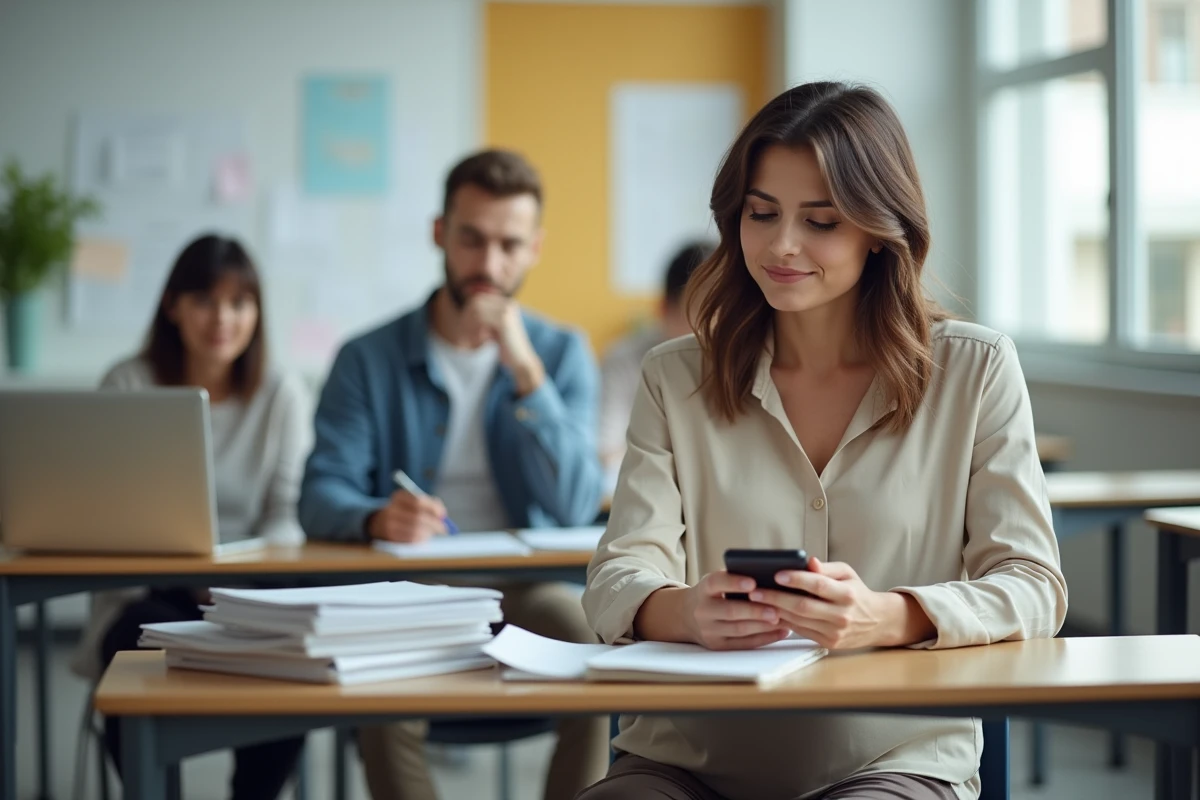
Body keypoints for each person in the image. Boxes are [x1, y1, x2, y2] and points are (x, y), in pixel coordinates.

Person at [580, 82, 1068, 800]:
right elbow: (617, 578)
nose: (782, 245)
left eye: (821, 221)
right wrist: (685, 609)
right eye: (761, 213)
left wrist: (890, 615)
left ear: (879, 228)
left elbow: (1034, 586)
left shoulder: (976, 370)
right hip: (684, 761)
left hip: (893, 760)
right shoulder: (673, 376)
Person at [299, 149, 609, 800]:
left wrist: (527, 374)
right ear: (440, 233)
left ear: (534, 249)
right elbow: (320, 492)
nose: (489, 265)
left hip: (527, 591)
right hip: (412, 590)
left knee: (597, 660)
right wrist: (376, 515)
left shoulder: (560, 353)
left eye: (509, 245)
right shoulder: (368, 357)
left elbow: (579, 501)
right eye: (471, 239)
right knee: (383, 704)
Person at [71, 234, 311, 799]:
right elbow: (106, 508)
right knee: (132, 646)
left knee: (298, 663)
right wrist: (189, 573)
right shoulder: (128, 382)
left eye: (239, 303)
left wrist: (228, 578)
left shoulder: (282, 392)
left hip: (250, 590)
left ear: (257, 311)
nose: (222, 319)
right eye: (204, 300)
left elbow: (286, 515)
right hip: (146, 590)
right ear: (172, 305)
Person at [599, 241, 711, 492]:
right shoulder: (624, 360)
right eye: (702, 313)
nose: (713, 329)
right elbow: (606, 452)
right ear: (664, 309)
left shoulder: (744, 362)